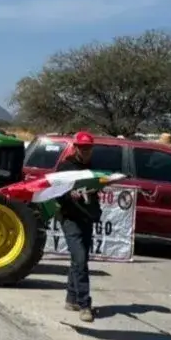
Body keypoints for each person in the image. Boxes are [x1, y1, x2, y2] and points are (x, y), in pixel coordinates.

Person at [54, 131, 103, 323]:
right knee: (80, 259)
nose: (86, 151)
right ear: (75, 148)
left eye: (88, 148)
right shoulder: (65, 167)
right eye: (82, 148)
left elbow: (94, 188)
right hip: (70, 219)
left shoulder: (91, 167)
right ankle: (84, 304)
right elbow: (56, 191)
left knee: (79, 260)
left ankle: (71, 298)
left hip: (87, 217)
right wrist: (69, 195)